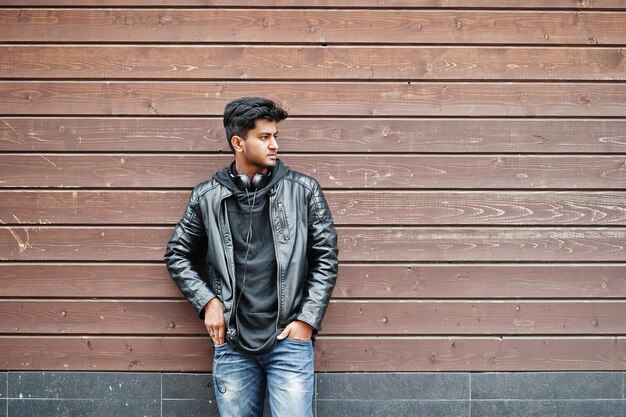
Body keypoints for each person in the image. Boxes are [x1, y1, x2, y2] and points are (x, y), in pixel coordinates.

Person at [164, 96, 339, 417]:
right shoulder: (207, 196)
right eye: (264, 137)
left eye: (276, 137)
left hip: (289, 339)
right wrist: (207, 301)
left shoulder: (304, 190)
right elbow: (177, 253)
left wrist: (306, 321)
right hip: (232, 343)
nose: (274, 145)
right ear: (238, 142)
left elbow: (325, 259)